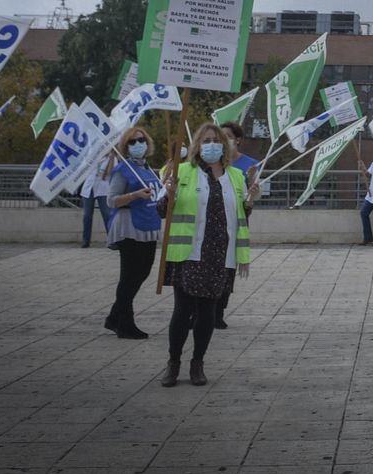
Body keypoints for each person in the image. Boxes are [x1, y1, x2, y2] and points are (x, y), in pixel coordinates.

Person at [159, 123, 255, 387]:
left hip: (219, 255)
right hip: (189, 252)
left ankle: (197, 363)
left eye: (217, 140)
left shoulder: (235, 176)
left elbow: (239, 215)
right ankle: (173, 362)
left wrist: (249, 202)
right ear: (197, 145)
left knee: (208, 313)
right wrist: (169, 193)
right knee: (182, 311)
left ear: (224, 146)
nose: (212, 144)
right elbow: (161, 210)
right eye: (207, 140)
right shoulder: (181, 171)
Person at [103, 126, 166, 340]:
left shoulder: (149, 169)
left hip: (148, 224)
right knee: (129, 277)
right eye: (132, 142)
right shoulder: (123, 170)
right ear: (126, 146)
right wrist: (134, 195)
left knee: (143, 273)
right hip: (129, 226)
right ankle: (125, 323)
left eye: (141, 140)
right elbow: (111, 200)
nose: (138, 144)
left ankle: (114, 316)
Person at [213, 120, 259, 330]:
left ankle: (219, 310)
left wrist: (251, 184)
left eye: (228, 137)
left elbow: (249, 200)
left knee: (228, 268)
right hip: (212, 223)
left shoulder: (249, 165)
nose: (224, 142)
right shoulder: (213, 162)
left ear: (238, 140)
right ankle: (205, 309)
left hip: (236, 222)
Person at [79, 162, 113, 248]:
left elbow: (110, 173)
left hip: (103, 189)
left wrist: (111, 157)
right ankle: (85, 241)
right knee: (87, 216)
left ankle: (112, 241)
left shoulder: (111, 157)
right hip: (89, 188)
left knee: (107, 214)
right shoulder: (92, 154)